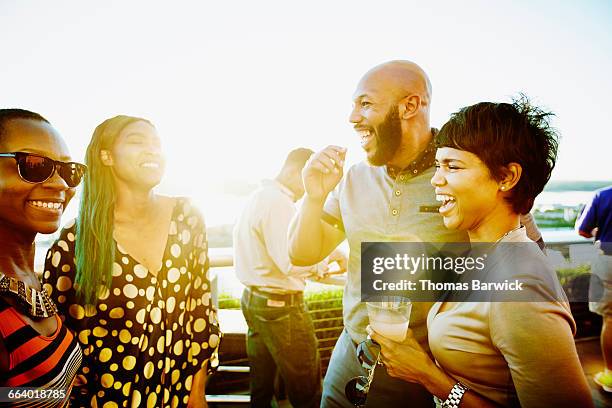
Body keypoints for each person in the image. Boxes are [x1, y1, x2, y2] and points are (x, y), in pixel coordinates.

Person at [288, 61, 542, 407]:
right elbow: (301, 254)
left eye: (365, 104)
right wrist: (313, 198)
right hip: (350, 357)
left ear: (409, 106)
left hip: (428, 371)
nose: (352, 117)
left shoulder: (464, 176)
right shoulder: (353, 178)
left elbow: (526, 261)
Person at [369, 97, 593, 407]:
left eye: (453, 166)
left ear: (506, 177)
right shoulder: (481, 257)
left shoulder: (521, 284)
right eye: (437, 165)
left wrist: (426, 375)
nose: (436, 179)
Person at [43, 115, 220, 408]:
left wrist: (197, 391)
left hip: (176, 394)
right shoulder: (75, 242)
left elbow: (200, 310)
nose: (152, 150)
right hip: (106, 399)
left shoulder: (187, 217)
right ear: (106, 156)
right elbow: (55, 332)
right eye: (138, 141)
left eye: (157, 143)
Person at [234, 147, 347, 408]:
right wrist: (327, 259)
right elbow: (291, 262)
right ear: (295, 171)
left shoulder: (258, 196)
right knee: (307, 391)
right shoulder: (279, 203)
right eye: (308, 175)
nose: (310, 185)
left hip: (254, 302)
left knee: (261, 390)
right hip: (281, 308)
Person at [0, 109, 84, 407]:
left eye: (69, 171)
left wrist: (60, 377)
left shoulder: (22, 275)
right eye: (34, 165)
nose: (62, 184)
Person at [576, 185, 612, 392]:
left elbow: (582, 230)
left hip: (609, 258)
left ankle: (610, 376)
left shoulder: (603, 195)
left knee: (611, 318)